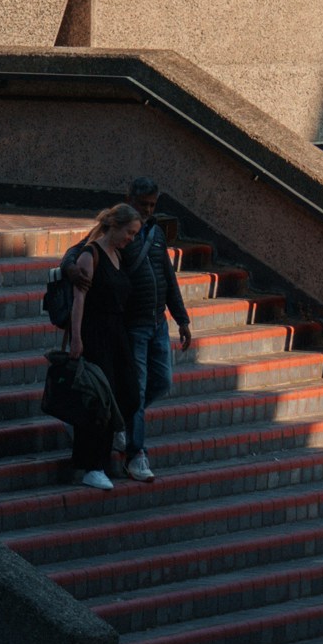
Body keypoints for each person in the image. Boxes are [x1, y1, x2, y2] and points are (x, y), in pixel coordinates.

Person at [55, 203, 145, 486]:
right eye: (129, 232)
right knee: (99, 400)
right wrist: (77, 338)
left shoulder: (117, 255)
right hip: (95, 333)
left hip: (117, 333)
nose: (131, 239)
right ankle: (93, 466)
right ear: (114, 226)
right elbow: (79, 301)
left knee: (128, 392)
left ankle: (104, 448)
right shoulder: (90, 254)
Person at [122, 177, 193, 475]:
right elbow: (85, 249)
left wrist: (182, 319)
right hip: (134, 324)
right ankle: (135, 453)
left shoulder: (156, 233)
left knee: (161, 381)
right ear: (130, 200)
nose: (148, 211)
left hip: (157, 322)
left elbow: (168, 277)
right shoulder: (119, 229)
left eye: (152, 205)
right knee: (136, 391)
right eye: (143, 205)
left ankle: (122, 419)